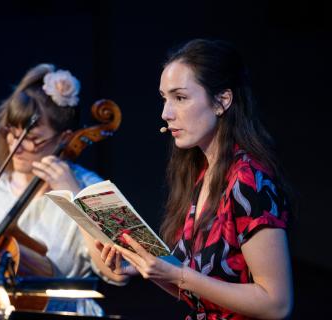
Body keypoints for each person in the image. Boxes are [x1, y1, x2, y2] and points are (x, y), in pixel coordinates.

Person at [96, 39, 293, 319]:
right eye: (164, 98)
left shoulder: (249, 179)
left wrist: (178, 274)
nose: (166, 113)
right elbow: (198, 291)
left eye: (180, 97)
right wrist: (145, 267)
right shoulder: (202, 172)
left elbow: (276, 304)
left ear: (221, 101)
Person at [0, 63, 127, 315]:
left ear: (64, 138)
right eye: (11, 132)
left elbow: (119, 271)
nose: (15, 145)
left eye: (31, 138)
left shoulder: (93, 188)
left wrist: (74, 196)